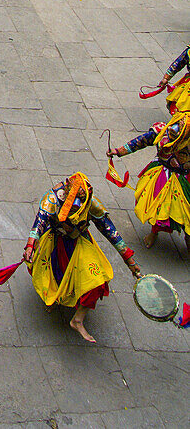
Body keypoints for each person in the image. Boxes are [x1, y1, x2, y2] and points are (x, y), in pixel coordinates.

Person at [23, 173, 141, 344]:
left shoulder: (91, 203)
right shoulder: (52, 199)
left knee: (97, 282)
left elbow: (110, 231)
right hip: (56, 243)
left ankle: (77, 319)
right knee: (54, 277)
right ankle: (53, 298)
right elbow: (39, 222)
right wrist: (30, 245)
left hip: (80, 242)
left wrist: (128, 259)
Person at [109, 112, 190, 253]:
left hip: (185, 179)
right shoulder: (161, 131)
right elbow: (141, 141)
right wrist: (119, 151)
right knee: (156, 209)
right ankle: (154, 232)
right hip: (161, 176)